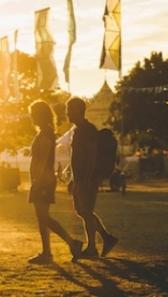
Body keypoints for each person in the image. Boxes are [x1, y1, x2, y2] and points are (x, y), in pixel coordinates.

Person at [27, 100, 83, 264]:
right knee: (41, 217)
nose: (31, 117)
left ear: (39, 115)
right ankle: (47, 252)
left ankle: (72, 243)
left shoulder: (45, 134)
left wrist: (37, 180)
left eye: (33, 114)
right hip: (41, 180)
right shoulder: (45, 132)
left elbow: (44, 160)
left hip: (43, 180)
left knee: (44, 217)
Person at [66, 97, 118, 258]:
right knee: (82, 211)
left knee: (86, 211)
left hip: (87, 178)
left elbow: (91, 155)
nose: (67, 114)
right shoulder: (79, 130)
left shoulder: (88, 130)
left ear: (78, 111)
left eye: (70, 110)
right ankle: (106, 238)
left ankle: (92, 248)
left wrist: (86, 179)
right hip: (80, 178)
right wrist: (74, 178)